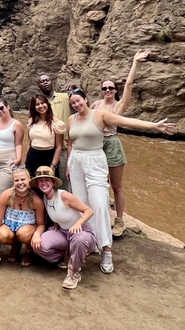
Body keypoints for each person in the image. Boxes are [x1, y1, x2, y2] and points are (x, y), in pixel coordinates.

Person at [67, 88, 176, 274]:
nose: (77, 105)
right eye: (73, 103)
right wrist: (69, 164)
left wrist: (153, 126)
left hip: (95, 161)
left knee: (100, 204)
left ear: (86, 99)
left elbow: (126, 121)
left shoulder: (100, 115)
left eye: (79, 101)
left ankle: (106, 249)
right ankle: (90, 242)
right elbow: (70, 142)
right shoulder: (71, 119)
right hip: (76, 162)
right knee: (82, 204)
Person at [90, 49, 150, 238]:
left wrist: (135, 62)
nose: (107, 91)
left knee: (116, 185)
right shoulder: (95, 105)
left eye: (111, 88)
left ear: (115, 90)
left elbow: (130, 84)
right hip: (96, 144)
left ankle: (120, 220)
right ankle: (99, 215)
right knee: (99, 182)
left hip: (112, 144)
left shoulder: (119, 105)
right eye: (104, 88)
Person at [30, 166, 97, 290]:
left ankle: (74, 273)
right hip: (63, 232)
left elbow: (89, 211)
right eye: (40, 180)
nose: (44, 183)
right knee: (39, 245)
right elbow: (59, 213)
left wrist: (79, 223)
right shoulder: (45, 197)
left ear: (53, 182)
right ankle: (66, 256)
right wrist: (56, 223)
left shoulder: (64, 195)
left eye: (47, 180)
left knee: (79, 239)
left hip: (81, 232)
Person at [0, 165, 45, 267]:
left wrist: (37, 234)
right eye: (16, 180)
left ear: (29, 180)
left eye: (23, 179)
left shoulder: (36, 200)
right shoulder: (6, 195)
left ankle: (28, 250)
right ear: (13, 182)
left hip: (28, 229)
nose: (20, 183)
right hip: (10, 226)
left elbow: (41, 224)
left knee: (23, 233)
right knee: (2, 235)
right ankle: (15, 246)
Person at [38, 73, 73, 191]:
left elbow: (82, 103)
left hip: (63, 147)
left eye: (47, 80)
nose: (45, 82)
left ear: (52, 82)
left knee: (64, 180)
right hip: (45, 149)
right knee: (46, 180)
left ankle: (65, 205)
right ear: (39, 85)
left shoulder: (64, 97)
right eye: (42, 81)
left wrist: (76, 88)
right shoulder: (38, 104)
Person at [0, 98, 24, 196]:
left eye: (1, 108)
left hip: (8, 161)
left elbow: (18, 144)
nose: (0, 111)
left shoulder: (16, 124)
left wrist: (19, 159)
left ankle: (1, 211)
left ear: (8, 107)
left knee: (2, 194)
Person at [25, 94, 65, 177]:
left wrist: (53, 166)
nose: (41, 106)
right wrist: (26, 160)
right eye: (37, 104)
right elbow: (29, 143)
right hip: (32, 156)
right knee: (32, 185)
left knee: (48, 186)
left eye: (43, 103)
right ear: (34, 107)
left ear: (47, 104)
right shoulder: (32, 121)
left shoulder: (57, 123)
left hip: (48, 156)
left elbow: (59, 147)